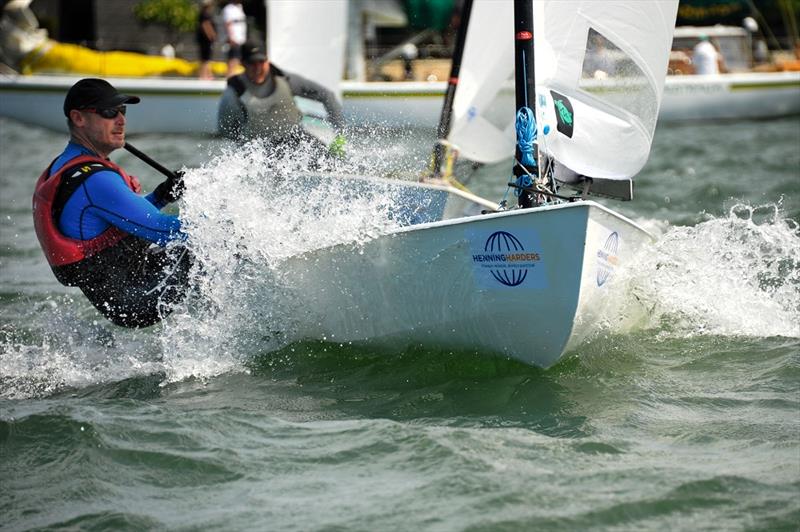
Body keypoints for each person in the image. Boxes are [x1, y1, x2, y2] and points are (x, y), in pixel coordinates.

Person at [32, 78, 192, 328]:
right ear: (79, 118)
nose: (121, 120)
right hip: (139, 300)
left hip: (127, 291)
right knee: (217, 246)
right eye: (109, 112)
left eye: (122, 111)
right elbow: (163, 230)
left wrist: (162, 196)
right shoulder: (96, 181)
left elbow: (119, 225)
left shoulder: (65, 165)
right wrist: (236, 226)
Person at [217, 41, 345, 155]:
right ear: (243, 64)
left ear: (267, 61)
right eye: (252, 63)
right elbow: (225, 130)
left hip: (295, 138)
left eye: (261, 62)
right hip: (257, 149)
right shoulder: (233, 93)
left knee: (333, 160)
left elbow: (327, 96)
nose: (257, 69)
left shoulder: (286, 80)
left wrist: (339, 135)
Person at [222, 0, 247, 77]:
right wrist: (231, 37)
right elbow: (227, 23)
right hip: (234, 39)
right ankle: (229, 78)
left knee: (236, 60)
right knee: (233, 60)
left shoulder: (239, 7)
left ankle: (231, 77)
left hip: (240, 39)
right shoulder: (228, 8)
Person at [196, 0, 217, 80]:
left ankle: (207, 74)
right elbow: (206, 26)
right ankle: (204, 75)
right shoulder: (205, 14)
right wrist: (212, 36)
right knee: (206, 58)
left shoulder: (204, 14)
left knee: (206, 58)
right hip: (205, 40)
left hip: (205, 40)